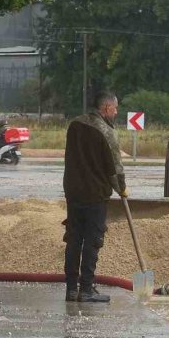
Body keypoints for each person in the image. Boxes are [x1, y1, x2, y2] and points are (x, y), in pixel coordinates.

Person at [62, 91, 128, 303]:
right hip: (95, 194)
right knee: (93, 241)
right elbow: (115, 166)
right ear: (107, 108)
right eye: (115, 108)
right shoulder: (106, 131)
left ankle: (71, 289)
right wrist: (122, 188)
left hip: (73, 192)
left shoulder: (75, 125)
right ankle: (86, 289)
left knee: (73, 240)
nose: (116, 112)